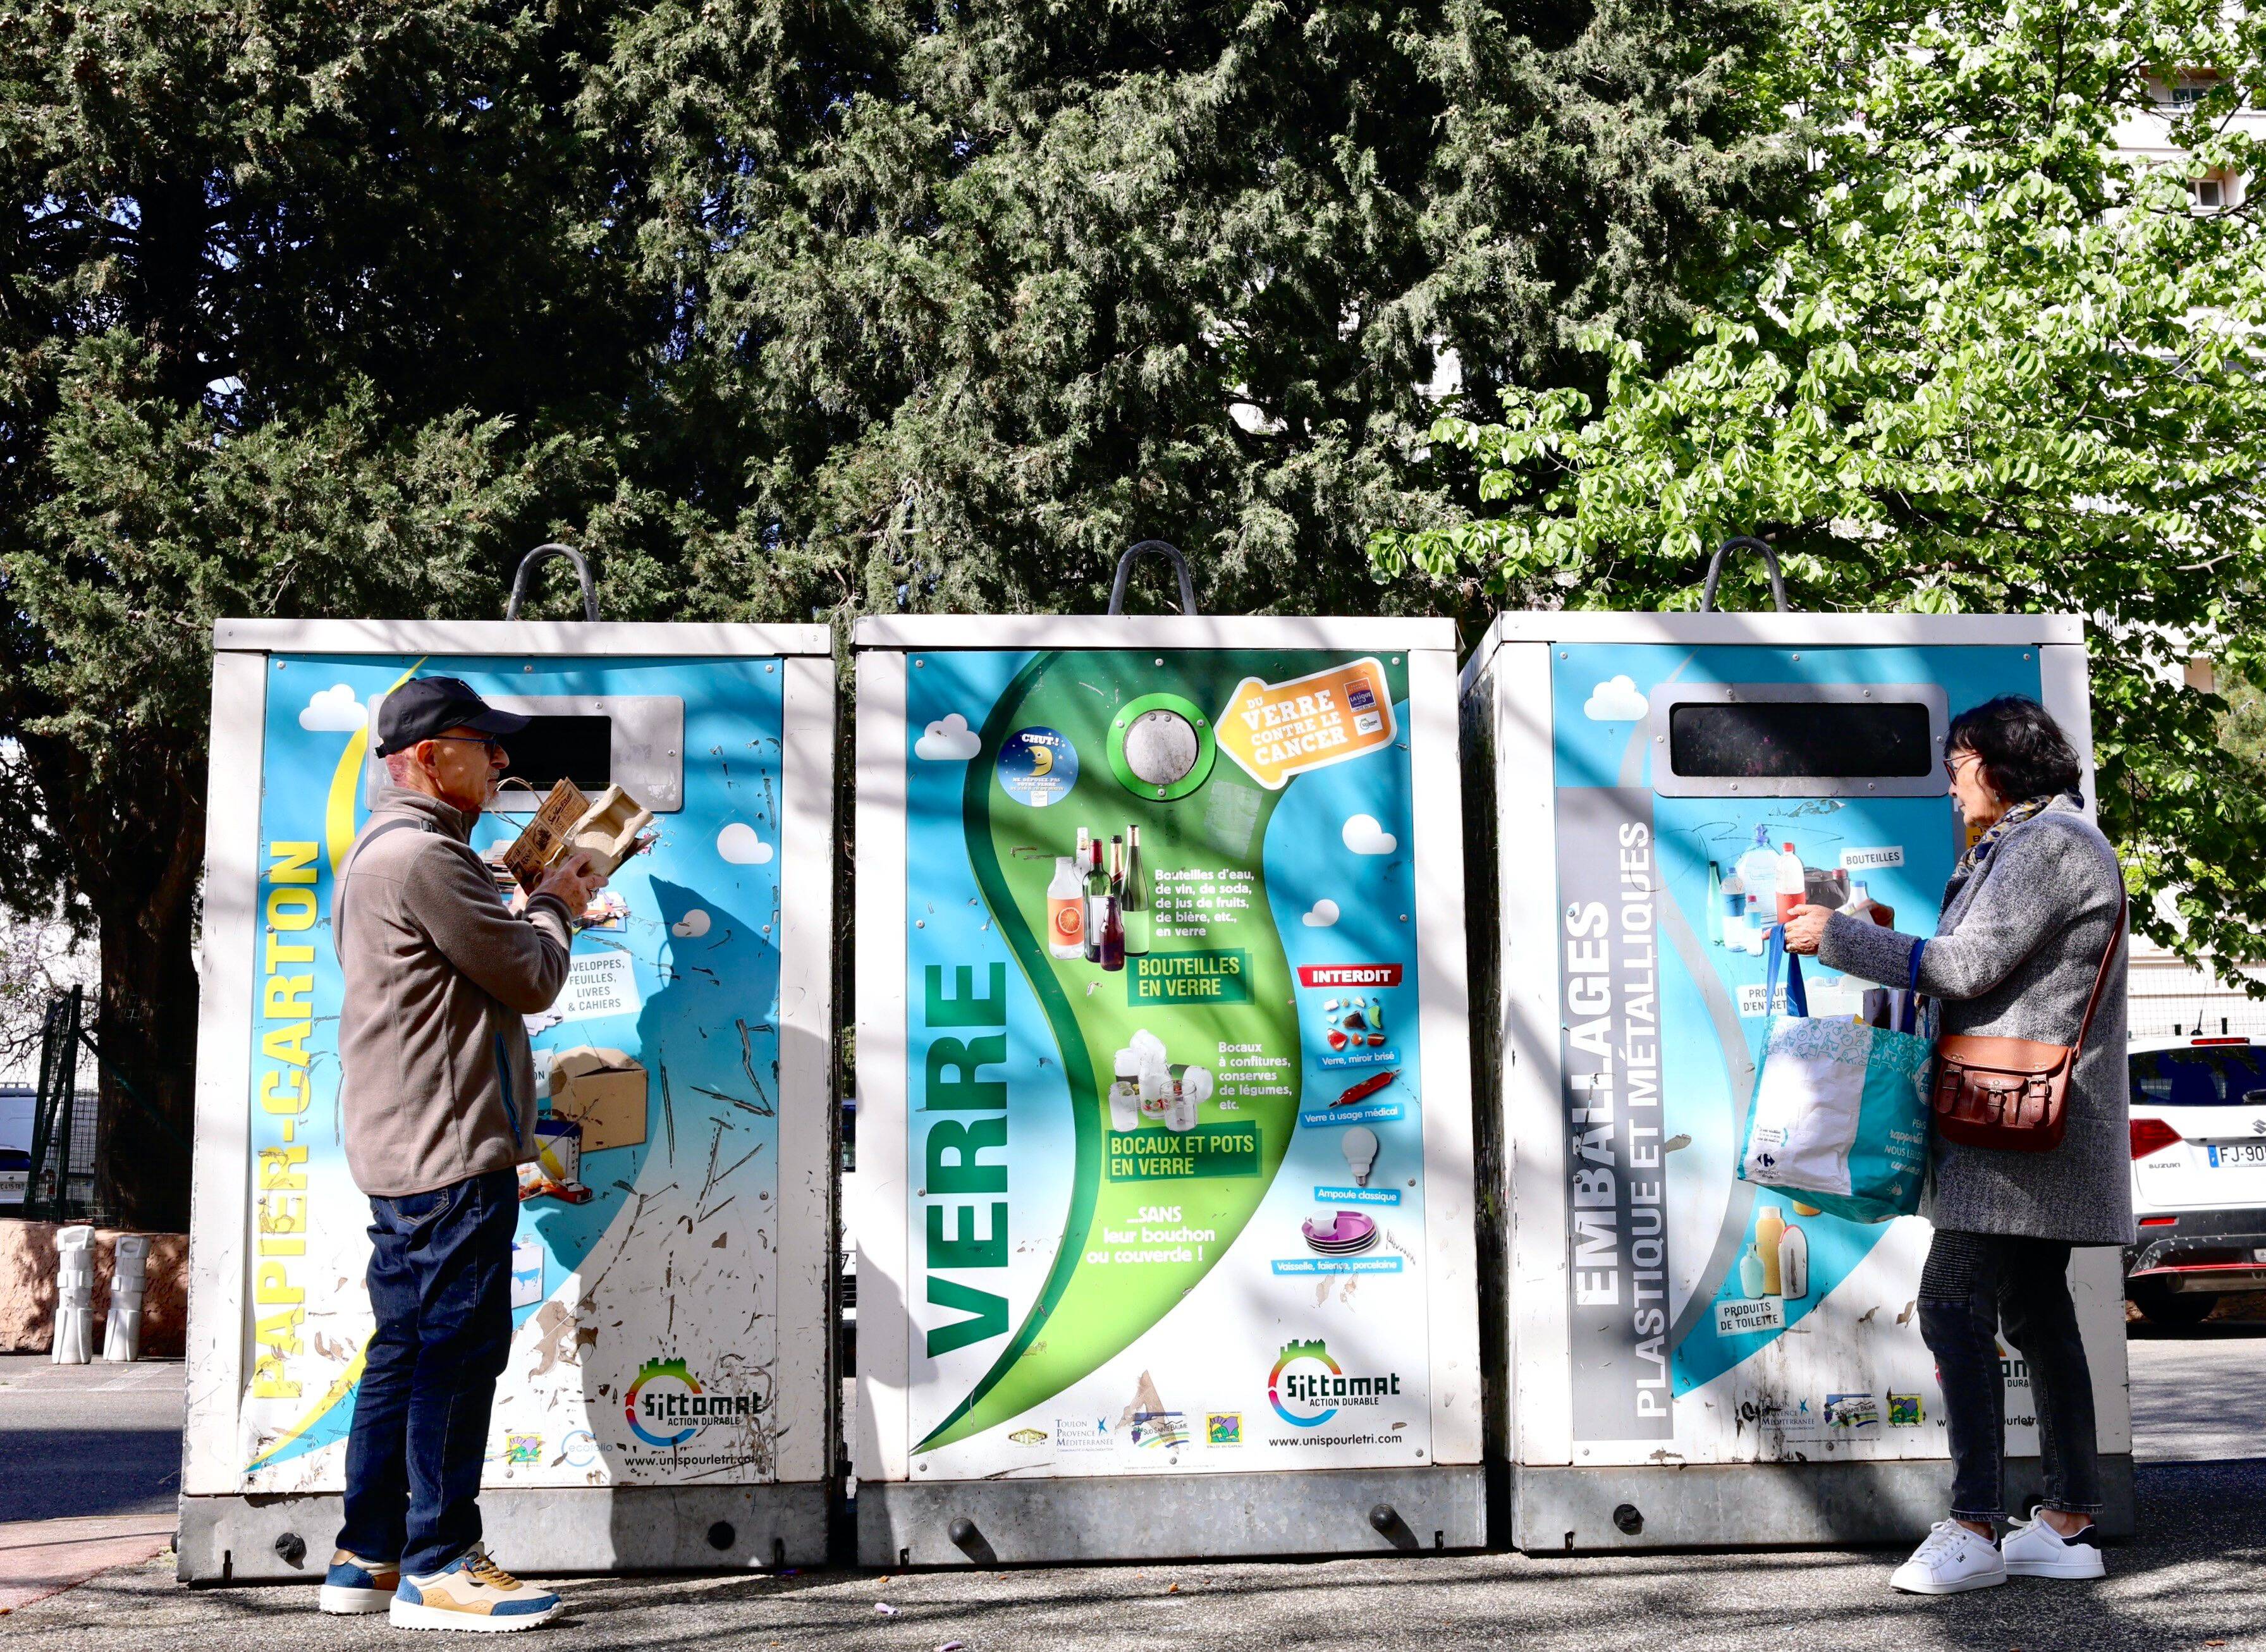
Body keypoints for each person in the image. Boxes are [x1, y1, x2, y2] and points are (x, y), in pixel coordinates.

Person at [1784, 694, 2129, 1596]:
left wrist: (1845, 939)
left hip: (2016, 1127)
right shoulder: (2033, 843)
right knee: (2036, 1314)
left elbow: (1971, 967)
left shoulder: (2049, 845)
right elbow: (1979, 961)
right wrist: (1896, 942)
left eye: (1959, 762)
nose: (1951, 784)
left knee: (1951, 1303)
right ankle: (2067, 1518)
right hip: (2020, 1118)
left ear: (2001, 761)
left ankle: (1976, 1521)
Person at [318, 676, 602, 1631]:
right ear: (431, 756)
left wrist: (530, 898)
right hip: (449, 1152)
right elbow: (529, 974)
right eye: (486, 744)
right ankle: (440, 1562)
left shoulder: (391, 852)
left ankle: (368, 1549)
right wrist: (557, 900)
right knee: (456, 1350)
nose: (503, 760)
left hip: (403, 1148)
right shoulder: (423, 859)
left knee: (403, 1345)